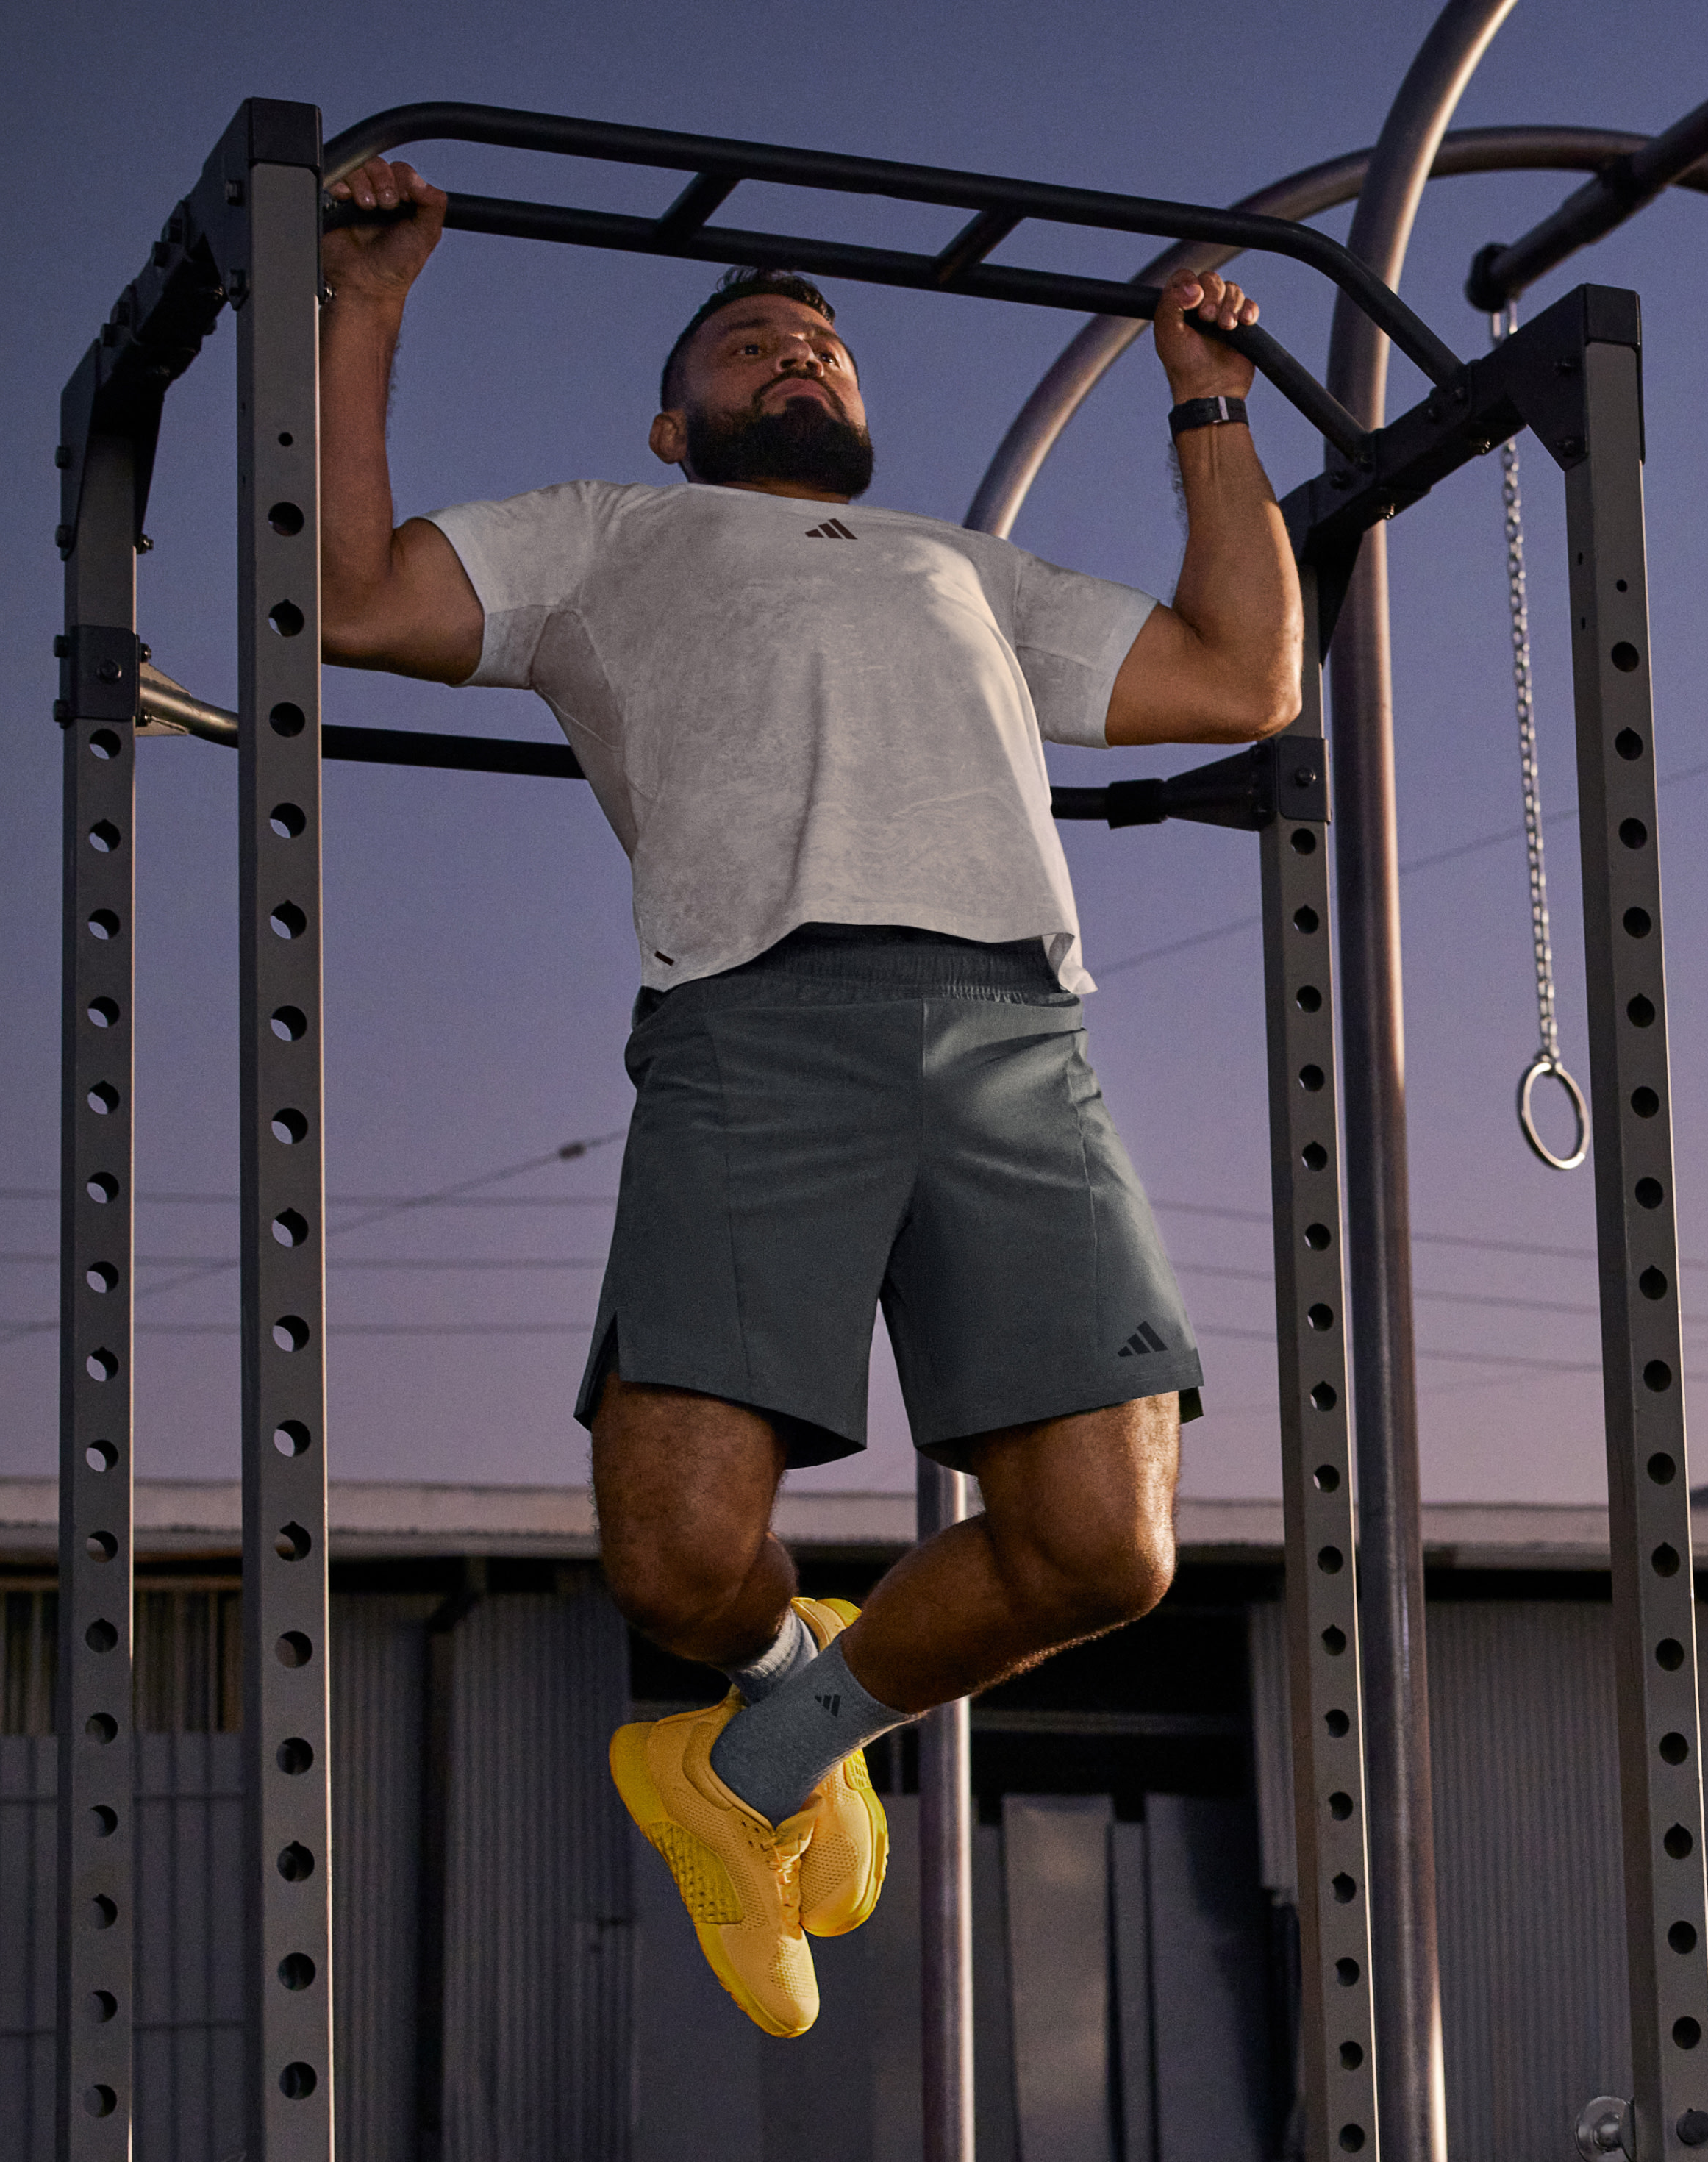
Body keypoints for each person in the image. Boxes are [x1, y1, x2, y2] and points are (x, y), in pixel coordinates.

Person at [316, 157, 1301, 2038]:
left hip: (1021, 1034)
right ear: (674, 417)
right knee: (672, 1554)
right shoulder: (607, 533)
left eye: (827, 345)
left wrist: (1211, 400)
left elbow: (1248, 673)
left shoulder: (969, 567)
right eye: (753, 341)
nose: (800, 353)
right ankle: (781, 1679)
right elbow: (348, 600)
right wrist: (362, 305)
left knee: (1107, 1546)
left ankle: (765, 1756)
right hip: (755, 1027)